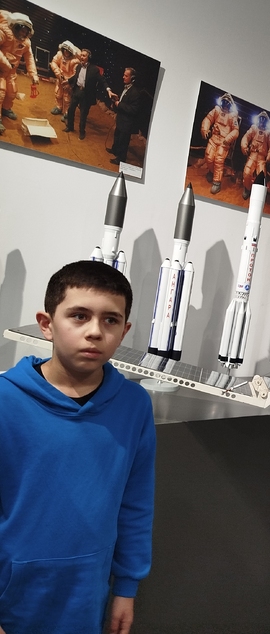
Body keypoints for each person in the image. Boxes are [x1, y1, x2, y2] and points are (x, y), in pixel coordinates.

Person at [0, 261, 156, 634]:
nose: (95, 331)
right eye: (79, 316)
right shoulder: (5, 401)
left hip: (87, 594)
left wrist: (127, 587)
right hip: (12, 595)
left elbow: (135, 503)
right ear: (47, 324)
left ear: (124, 330)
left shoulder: (134, 405)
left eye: (110, 320)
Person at [0, 11, 39, 135]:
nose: (23, 34)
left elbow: (29, 58)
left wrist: (33, 74)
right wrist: (6, 64)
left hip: (11, 72)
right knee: (1, 92)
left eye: (26, 32)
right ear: (15, 27)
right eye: (22, 30)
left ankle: (6, 109)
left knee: (12, 92)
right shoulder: (5, 32)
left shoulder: (26, 43)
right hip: (1, 69)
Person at [63, 49, 111, 140]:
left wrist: (108, 89)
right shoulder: (78, 66)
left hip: (86, 94)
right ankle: (70, 126)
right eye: (81, 55)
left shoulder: (94, 69)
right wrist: (68, 81)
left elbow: (102, 80)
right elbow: (76, 77)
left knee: (83, 114)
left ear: (89, 57)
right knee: (71, 109)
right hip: (77, 91)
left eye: (84, 56)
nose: (81, 57)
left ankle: (82, 132)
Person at [201, 93, 239, 194]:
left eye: (227, 103)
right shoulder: (216, 111)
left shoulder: (232, 116)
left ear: (230, 105)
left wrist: (227, 139)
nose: (225, 105)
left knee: (218, 159)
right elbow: (208, 119)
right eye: (224, 102)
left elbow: (235, 131)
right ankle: (211, 171)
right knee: (209, 157)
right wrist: (205, 130)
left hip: (223, 142)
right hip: (214, 138)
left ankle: (217, 183)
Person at [107, 67, 141, 166]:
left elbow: (133, 109)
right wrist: (116, 100)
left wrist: (119, 104)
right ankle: (115, 150)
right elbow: (124, 100)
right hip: (121, 119)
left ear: (132, 78)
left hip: (127, 122)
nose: (123, 77)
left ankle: (121, 159)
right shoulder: (126, 88)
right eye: (124, 75)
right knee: (117, 135)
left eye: (126, 76)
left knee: (123, 141)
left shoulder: (135, 92)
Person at [240, 111, 270, 200]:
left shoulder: (268, 133)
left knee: (261, 176)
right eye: (261, 119)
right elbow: (246, 137)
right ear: (258, 120)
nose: (262, 121)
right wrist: (244, 147)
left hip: (261, 159)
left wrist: (269, 157)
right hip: (252, 155)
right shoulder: (254, 129)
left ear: (266, 122)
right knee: (247, 173)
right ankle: (247, 189)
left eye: (264, 120)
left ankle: (257, 193)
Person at [50, 40, 80, 117]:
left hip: (68, 82)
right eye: (65, 50)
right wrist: (58, 73)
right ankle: (59, 107)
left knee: (67, 98)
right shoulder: (60, 55)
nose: (66, 52)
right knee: (58, 94)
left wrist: (69, 82)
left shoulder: (74, 61)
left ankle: (67, 112)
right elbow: (53, 62)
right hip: (60, 78)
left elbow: (76, 73)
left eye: (68, 50)